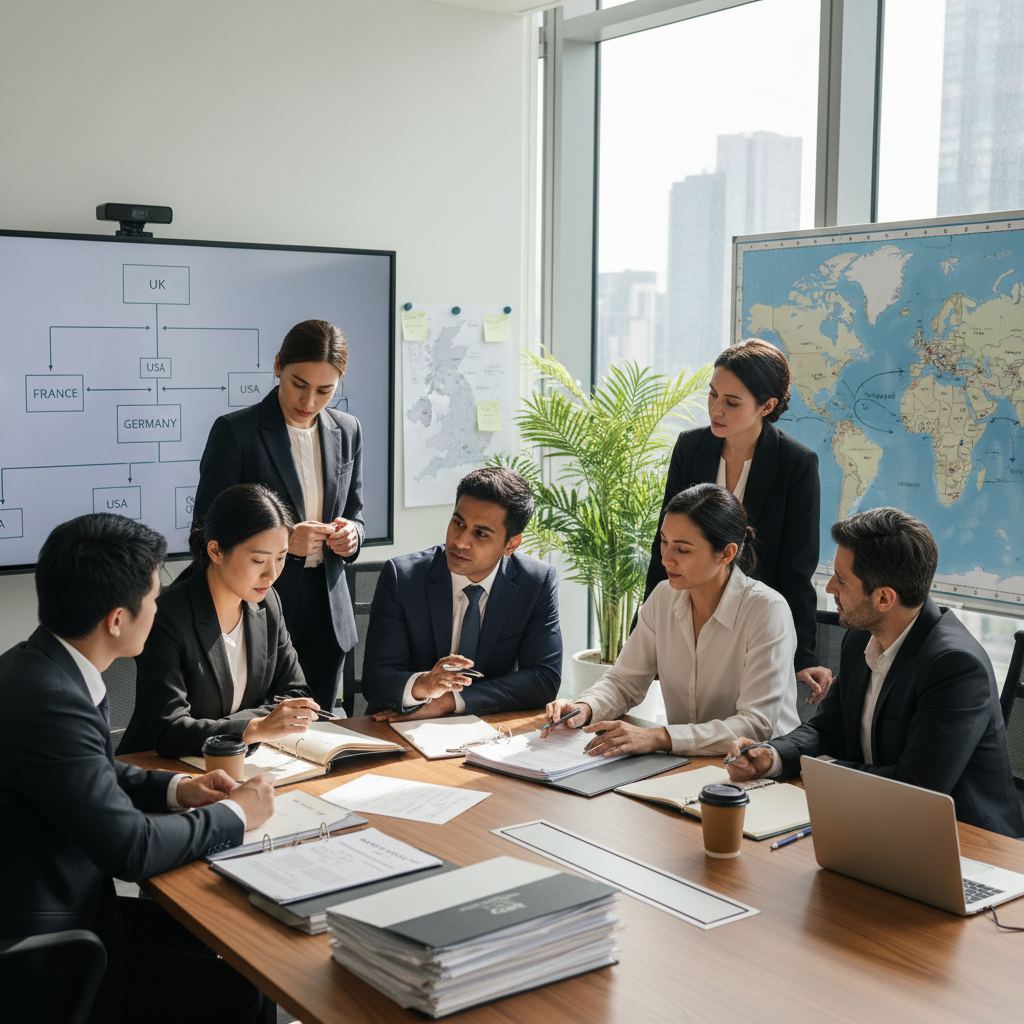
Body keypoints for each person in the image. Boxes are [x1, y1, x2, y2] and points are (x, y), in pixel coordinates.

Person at [0, 513, 275, 1023]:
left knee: (231, 945)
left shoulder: (37, 663)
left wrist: (180, 789)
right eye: (151, 598)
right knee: (240, 992)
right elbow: (133, 849)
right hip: (46, 946)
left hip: (65, 907)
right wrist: (238, 813)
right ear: (117, 619)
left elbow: (90, 772)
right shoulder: (53, 704)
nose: (158, 606)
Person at [726, 508, 1024, 839]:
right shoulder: (860, 638)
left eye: (841, 578)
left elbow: (918, 787)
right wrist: (771, 756)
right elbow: (829, 728)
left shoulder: (955, 666)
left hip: (969, 846)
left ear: (883, 598)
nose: (829, 587)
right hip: (882, 825)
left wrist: (828, 770)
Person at [544, 483, 800, 757]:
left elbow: (755, 724)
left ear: (726, 553)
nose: (666, 558)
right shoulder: (664, 596)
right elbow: (624, 681)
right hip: (686, 763)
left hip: (763, 772)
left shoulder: (767, 611)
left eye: (683, 549)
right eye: (664, 542)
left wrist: (660, 737)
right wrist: (585, 707)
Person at [193, 319, 364, 715]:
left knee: (318, 730)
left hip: (329, 608)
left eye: (325, 390)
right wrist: (286, 539)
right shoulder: (236, 431)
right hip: (259, 604)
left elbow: (356, 513)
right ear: (277, 367)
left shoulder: (349, 429)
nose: (309, 401)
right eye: (298, 384)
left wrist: (352, 535)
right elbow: (206, 528)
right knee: (260, 732)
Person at [644, 339, 830, 700]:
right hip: (691, 616)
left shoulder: (796, 465)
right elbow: (664, 545)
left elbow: (797, 569)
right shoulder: (690, 447)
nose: (716, 409)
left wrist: (802, 656)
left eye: (731, 402)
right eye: (712, 395)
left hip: (754, 627)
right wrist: (645, 632)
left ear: (767, 406)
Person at [118, 483, 319, 758]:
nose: (271, 574)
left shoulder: (268, 602)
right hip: (162, 771)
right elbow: (171, 731)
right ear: (215, 551)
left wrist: (243, 728)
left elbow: (295, 695)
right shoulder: (167, 617)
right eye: (258, 560)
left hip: (239, 763)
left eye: (282, 558)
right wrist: (254, 727)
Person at [363, 467, 561, 719]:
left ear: (511, 544)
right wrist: (424, 684)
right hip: (404, 723)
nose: (460, 542)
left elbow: (543, 679)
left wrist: (451, 700)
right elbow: (376, 678)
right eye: (458, 523)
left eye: (480, 534)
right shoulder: (403, 577)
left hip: (487, 726)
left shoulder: (536, 582)